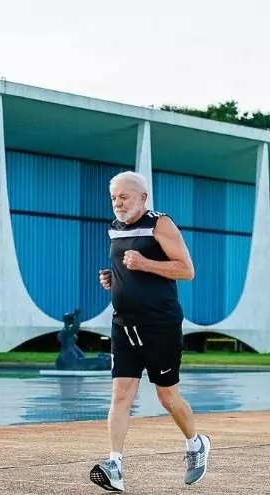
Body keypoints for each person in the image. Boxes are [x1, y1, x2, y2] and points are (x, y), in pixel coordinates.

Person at [89, 171, 211, 492]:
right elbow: (127, 269)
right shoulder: (114, 229)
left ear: (143, 198)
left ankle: (196, 444)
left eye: (124, 197)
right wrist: (114, 281)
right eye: (114, 197)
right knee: (120, 394)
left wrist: (145, 264)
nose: (117, 203)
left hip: (160, 326)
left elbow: (186, 270)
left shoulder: (161, 224)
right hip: (123, 325)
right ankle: (115, 464)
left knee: (167, 397)